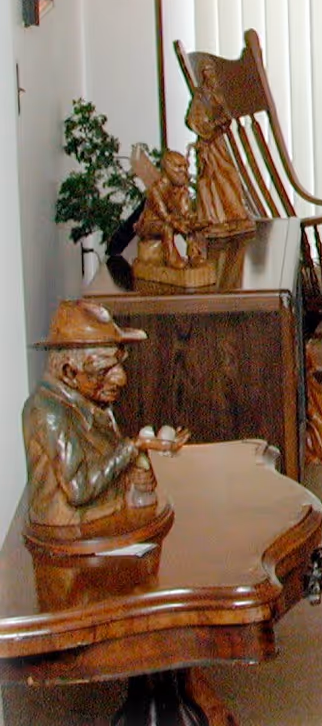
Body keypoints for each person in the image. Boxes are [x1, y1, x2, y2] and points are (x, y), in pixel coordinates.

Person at [22, 300, 189, 539]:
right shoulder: (48, 412)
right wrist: (133, 448)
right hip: (73, 534)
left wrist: (129, 477)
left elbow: (103, 461)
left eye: (119, 363)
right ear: (69, 373)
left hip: (100, 523)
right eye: (103, 371)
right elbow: (79, 489)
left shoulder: (91, 400)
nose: (120, 379)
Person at [186, 58, 254, 238]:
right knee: (211, 179)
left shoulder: (217, 94)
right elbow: (192, 120)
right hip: (208, 142)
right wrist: (208, 127)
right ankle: (216, 217)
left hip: (218, 140)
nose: (210, 75)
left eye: (212, 71)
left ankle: (234, 214)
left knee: (229, 174)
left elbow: (226, 112)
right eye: (206, 71)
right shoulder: (201, 97)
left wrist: (222, 121)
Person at [133, 148, 211, 270]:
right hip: (150, 225)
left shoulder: (181, 190)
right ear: (168, 167)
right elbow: (164, 216)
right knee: (167, 227)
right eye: (179, 167)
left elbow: (185, 213)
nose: (183, 171)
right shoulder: (157, 189)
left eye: (185, 166)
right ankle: (171, 258)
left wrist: (196, 221)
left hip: (171, 221)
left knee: (190, 225)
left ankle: (194, 255)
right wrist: (179, 224)